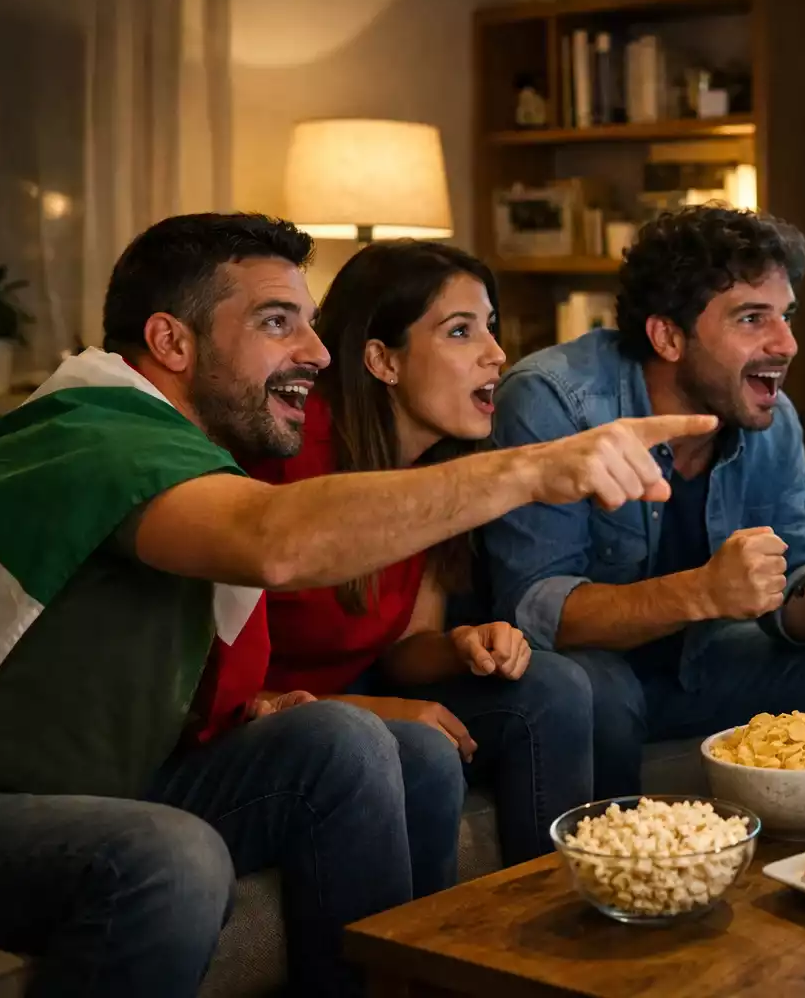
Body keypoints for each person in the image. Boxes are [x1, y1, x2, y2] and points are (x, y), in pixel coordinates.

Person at [0, 213, 713, 997]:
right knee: (168, 856)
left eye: (312, 325)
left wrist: (266, 705)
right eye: (276, 322)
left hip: (118, 778)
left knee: (347, 739)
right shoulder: (95, 433)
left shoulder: (194, 450)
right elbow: (274, 543)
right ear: (171, 342)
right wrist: (534, 470)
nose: (318, 354)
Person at [486, 205, 805, 799]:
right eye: (751, 318)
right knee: (595, 690)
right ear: (668, 335)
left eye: (786, 316)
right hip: (583, 675)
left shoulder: (773, 418)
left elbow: (792, 605)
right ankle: (624, 881)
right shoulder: (555, 402)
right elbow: (536, 611)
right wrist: (703, 591)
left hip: (699, 666)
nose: (786, 343)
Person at [244, 240, 593, 867]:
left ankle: (554, 928)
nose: (497, 354)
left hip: (355, 690)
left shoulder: (443, 468)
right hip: (276, 717)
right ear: (383, 360)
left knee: (555, 684)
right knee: (423, 750)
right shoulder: (292, 460)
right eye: (461, 332)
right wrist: (376, 710)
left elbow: (409, 648)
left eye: (491, 327)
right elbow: (235, 694)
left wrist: (463, 643)